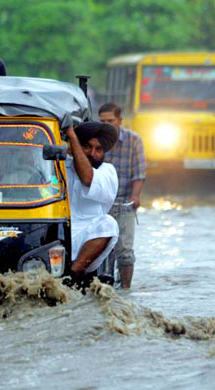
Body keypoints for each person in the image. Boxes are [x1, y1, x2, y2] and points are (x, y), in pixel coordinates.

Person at [64, 122, 119, 288]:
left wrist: (73, 136)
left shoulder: (107, 172)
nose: (92, 153)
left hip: (88, 239)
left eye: (98, 149)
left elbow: (87, 178)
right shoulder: (60, 165)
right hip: (56, 235)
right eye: (87, 147)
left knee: (109, 224)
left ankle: (71, 277)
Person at [99, 103, 146, 289]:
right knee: (98, 250)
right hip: (101, 204)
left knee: (125, 252)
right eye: (102, 121)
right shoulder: (97, 140)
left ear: (120, 121)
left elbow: (139, 172)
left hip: (124, 202)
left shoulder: (134, 140)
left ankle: (126, 290)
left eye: (110, 121)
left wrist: (136, 196)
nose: (107, 125)